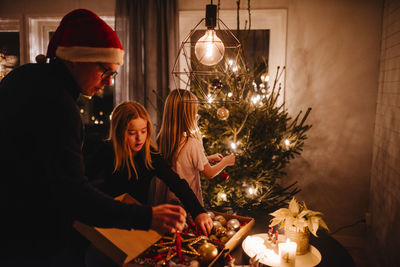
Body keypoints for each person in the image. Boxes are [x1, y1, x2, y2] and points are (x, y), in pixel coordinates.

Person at [0, 9, 186, 267]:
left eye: (114, 74)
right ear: (76, 58)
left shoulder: (24, 77)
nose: (109, 83)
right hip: (34, 241)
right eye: (105, 71)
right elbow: (72, 195)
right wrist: (147, 217)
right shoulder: (59, 106)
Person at [86, 101, 213, 234]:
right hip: (107, 222)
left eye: (143, 131)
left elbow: (177, 183)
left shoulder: (150, 155)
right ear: (119, 132)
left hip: (137, 223)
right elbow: (85, 183)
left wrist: (198, 212)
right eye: (132, 132)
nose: (139, 138)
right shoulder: (105, 151)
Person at [154, 89, 235, 206]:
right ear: (188, 115)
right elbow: (209, 173)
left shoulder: (162, 139)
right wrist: (226, 162)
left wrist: (207, 158)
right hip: (187, 205)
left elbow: (181, 163)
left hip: (165, 204)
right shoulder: (192, 143)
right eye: (194, 112)